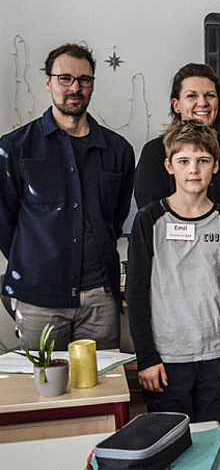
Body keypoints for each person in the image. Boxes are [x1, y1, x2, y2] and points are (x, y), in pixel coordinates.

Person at [0, 43, 134, 350]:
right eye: (64, 78)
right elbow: (4, 221)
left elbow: (115, 217)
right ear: (48, 82)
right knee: (44, 393)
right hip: (38, 298)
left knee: (99, 392)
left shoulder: (119, 150)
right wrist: (33, 262)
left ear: (92, 85)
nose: (75, 87)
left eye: (84, 80)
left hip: (100, 296)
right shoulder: (16, 147)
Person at [126, 120, 220, 425]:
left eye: (202, 161)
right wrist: (147, 359)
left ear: (215, 166)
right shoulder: (148, 220)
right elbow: (137, 293)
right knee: (170, 444)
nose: (193, 170)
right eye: (184, 161)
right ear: (169, 166)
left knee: (212, 440)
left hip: (216, 358)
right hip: (167, 359)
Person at [134, 63, 220, 219]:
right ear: (176, 105)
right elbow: (150, 218)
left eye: (210, 95)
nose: (202, 103)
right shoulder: (155, 153)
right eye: (192, 96)